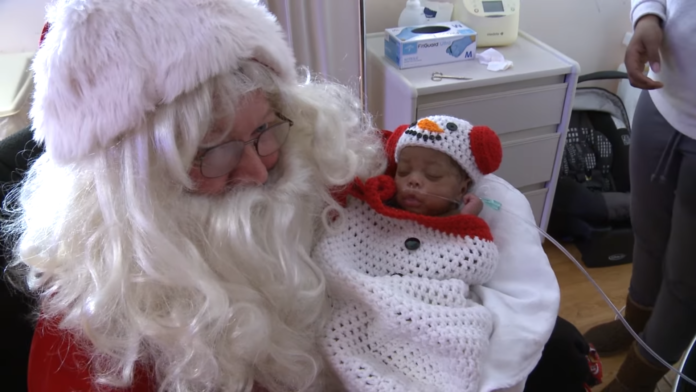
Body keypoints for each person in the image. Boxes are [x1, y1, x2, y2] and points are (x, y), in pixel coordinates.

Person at [4, 0, 385, 391]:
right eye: (216, 153)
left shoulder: (313, 162)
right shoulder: (93, 333)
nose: (258, 172)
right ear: (135, 188)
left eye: (264, 132)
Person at [315, 115, 503, 391]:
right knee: (340, 331)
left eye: (433, 176)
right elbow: (339, 246)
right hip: (366, 300)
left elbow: (481, 266)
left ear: (463, 187)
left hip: (434, 311)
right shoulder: (374, 208)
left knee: (462, 341)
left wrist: (465, 220)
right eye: (404, 172)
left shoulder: (461, 226)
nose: (413, 181)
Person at [583, 0, 696, 391]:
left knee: (687, 280)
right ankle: (635, 323)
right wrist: (648, 15)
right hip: (663, 101)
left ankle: (635, 381)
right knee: (646, 233)